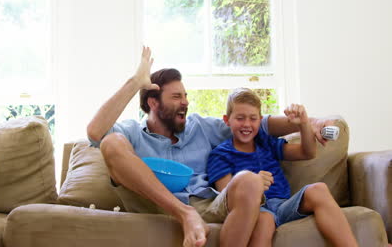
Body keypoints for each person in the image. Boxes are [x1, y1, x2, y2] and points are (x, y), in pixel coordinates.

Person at [87, 47, 334, 247]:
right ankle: (185, 214)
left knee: (248, 180)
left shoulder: (200, 127)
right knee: (110, 142)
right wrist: (135, 82)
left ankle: (191, 214)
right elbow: (95, 132)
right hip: (158, 204)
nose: (185, 102)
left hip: (208, 203)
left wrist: (310, 122)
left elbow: (258, 124)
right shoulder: (131, 132)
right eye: (176, 97)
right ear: (153, 102)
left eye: (185, 96)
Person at [206, 87, 358, 247]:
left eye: (253, 118)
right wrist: (254, 185)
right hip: (257, 210)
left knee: (318, 189)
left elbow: (307, 152)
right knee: (265, 220)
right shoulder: (220, 154)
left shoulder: (265, 142)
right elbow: (226, 197)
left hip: (283, 205)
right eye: (240, 118)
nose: (247, 124)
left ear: (260, 120)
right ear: (226, 120)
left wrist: (304, 123)